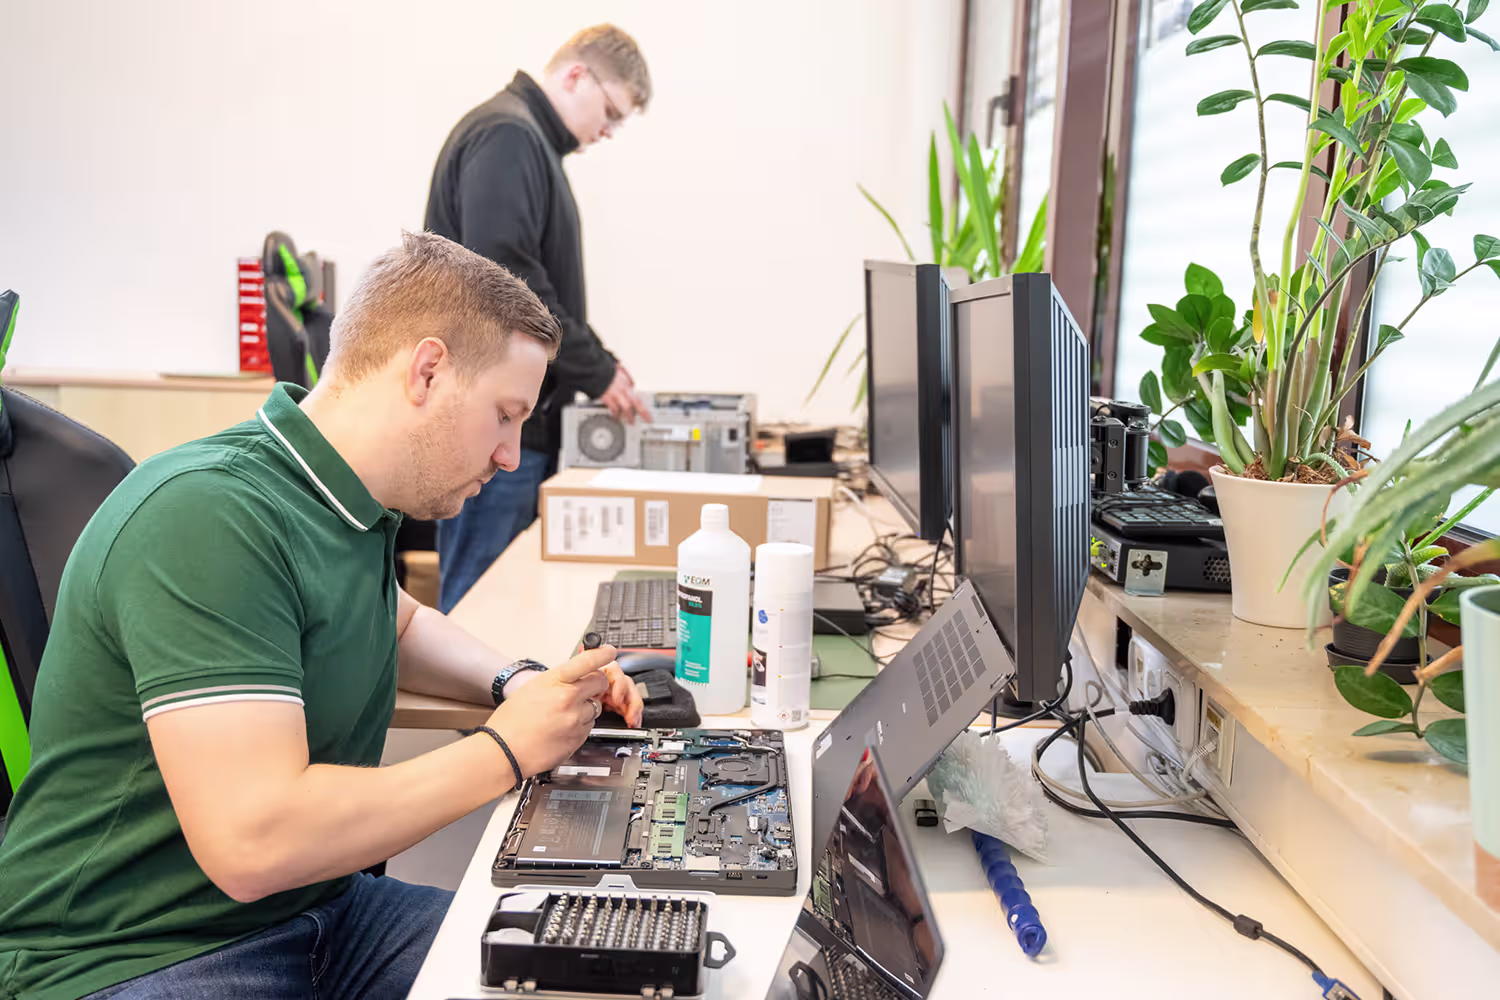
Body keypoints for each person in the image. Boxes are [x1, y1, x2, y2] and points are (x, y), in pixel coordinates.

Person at [0, 232, 643, 1000]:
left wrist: (515, 680)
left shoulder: (341, 499)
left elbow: (394, 620)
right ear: (428, 370)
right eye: (504, 416)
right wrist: (507, 750)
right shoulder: (211, 514)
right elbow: (253, 842)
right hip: (137, 953)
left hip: (322, 910)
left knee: (604, 972)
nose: (510, 455)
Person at [425, 23, 655, 613]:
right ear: (575, 74)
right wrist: (596, 369)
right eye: (609, 112)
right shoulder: (508, 135)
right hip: (490, 425)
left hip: (508, 421)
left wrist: (600, 361)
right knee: (482, 608)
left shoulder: (528, 142)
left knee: (507, 603)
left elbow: (536, 280)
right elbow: (510, 281)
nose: (606, 131)